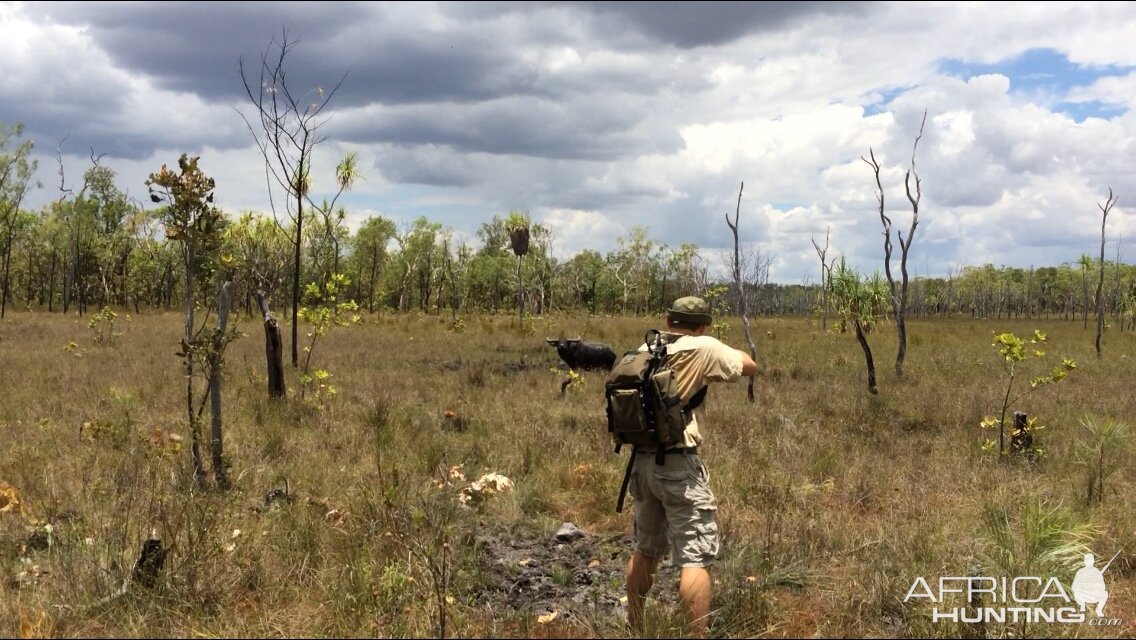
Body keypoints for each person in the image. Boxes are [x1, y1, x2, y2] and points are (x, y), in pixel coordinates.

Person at [624, 295, 758, 637]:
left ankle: (635, 626)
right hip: (678, 465)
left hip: (640, 463)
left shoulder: (646, 347)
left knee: (646, 548)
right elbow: (747, 364)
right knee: (695, 555)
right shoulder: (702, 345)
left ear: (670, 321)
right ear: (701, 325)